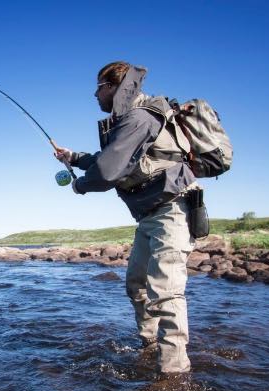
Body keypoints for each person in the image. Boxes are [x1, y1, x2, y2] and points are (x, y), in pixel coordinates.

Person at [55, 61, 198, 374]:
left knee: (166, 294)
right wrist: (74, 158)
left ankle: (173, 375)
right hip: (149, 216)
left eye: (100, 86)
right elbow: (115, 159)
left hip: (172, 211)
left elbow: (107, 171)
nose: (95, 93)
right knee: (136, 285)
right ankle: (150, 348)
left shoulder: (139, 116)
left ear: (114, 85)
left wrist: (79, 185)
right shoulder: (129, 119)